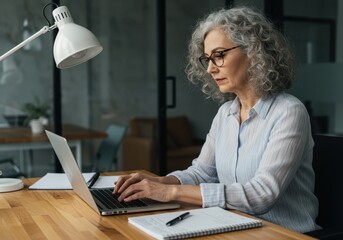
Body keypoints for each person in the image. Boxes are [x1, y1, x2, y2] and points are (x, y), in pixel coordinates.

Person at [114, 6, 319, 233]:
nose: (210, 68)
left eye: (219, 55)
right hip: (235, 227)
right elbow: (201, 173)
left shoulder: (289, 111)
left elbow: (262, 194)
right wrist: (158, 182)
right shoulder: (226, 114)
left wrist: (170, 193)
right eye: (207, 59)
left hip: (284, 234)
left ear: (253, 53)